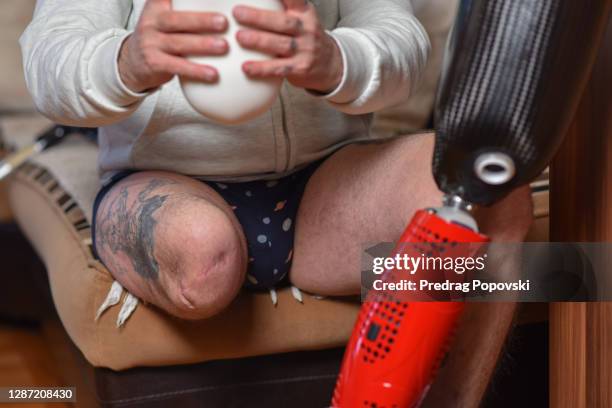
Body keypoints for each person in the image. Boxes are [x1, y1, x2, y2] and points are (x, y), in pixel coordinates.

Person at [20, 0, 532, 320]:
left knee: (489, 195)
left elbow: (400, 38)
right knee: (203, 253)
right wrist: (124, 61)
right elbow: (50, 56)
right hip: (164, 180)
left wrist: (337, 59)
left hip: (323, 187)